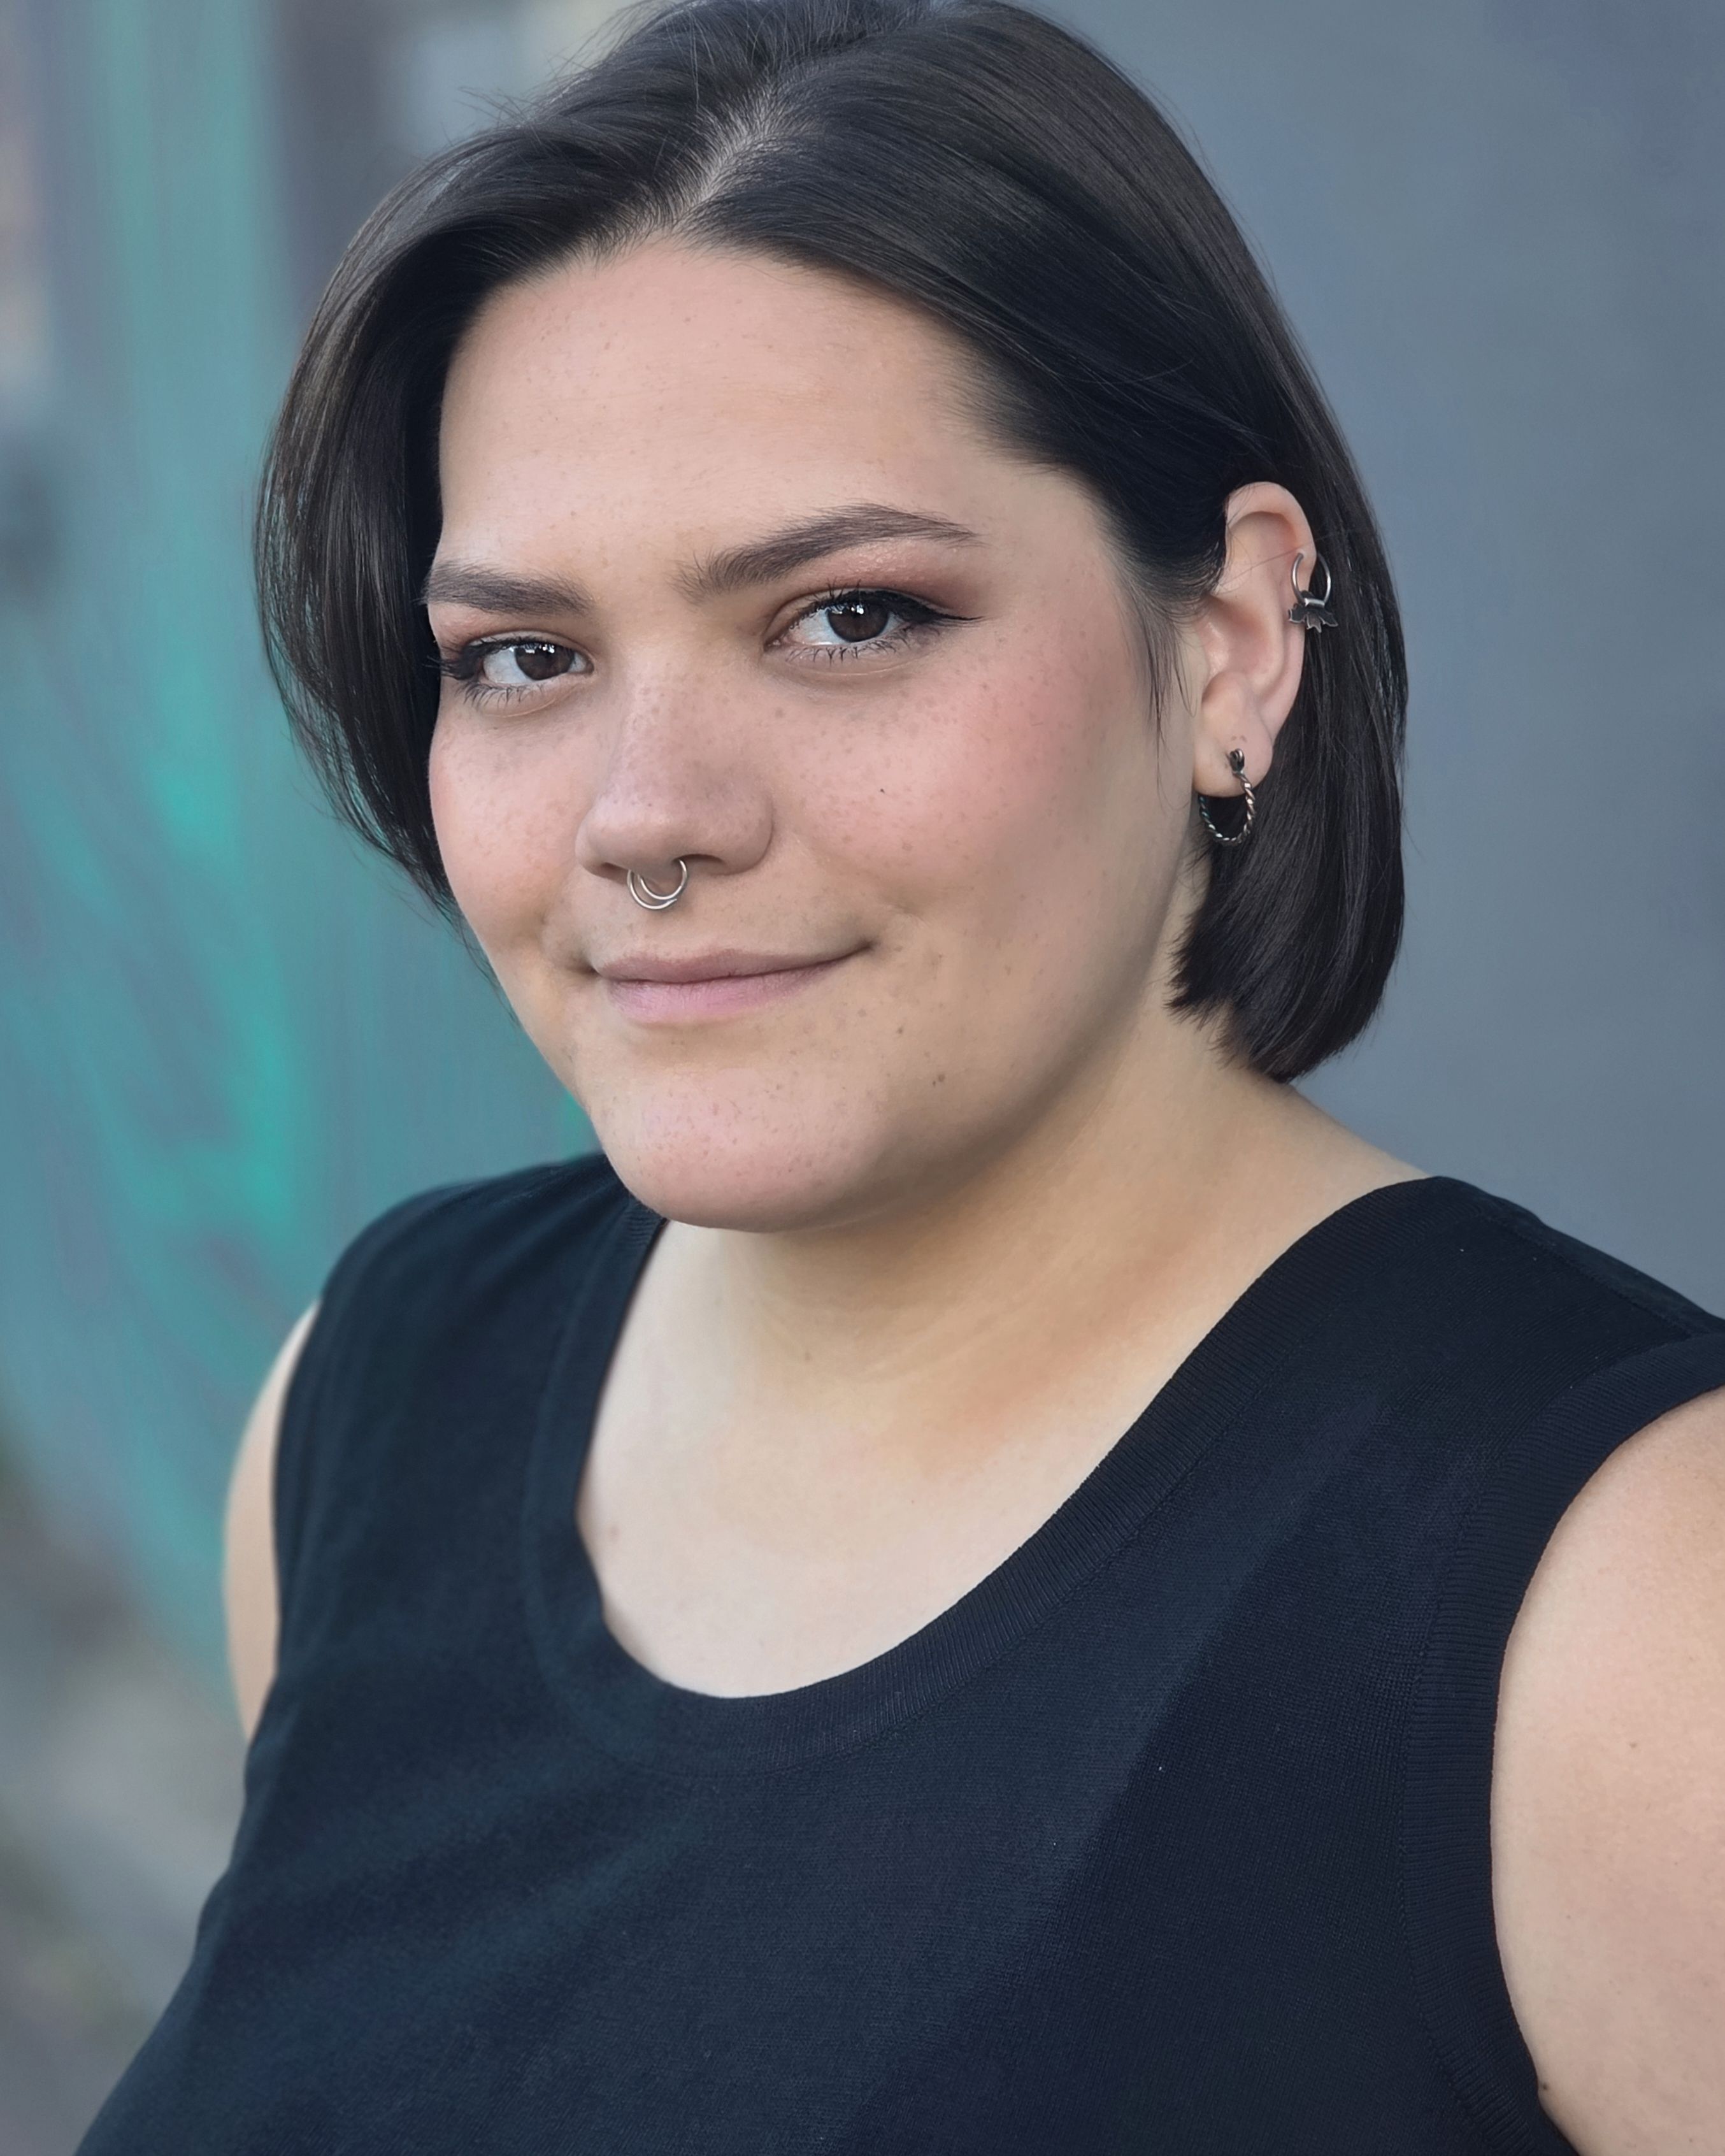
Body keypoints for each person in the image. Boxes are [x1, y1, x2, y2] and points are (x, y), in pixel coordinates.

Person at [80, 1, 1725, 2150]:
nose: (646, 815)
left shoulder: (1622, 1615)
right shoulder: (377, 1397)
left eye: (847, 616)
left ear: (1229, 643)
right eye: (526, 659)